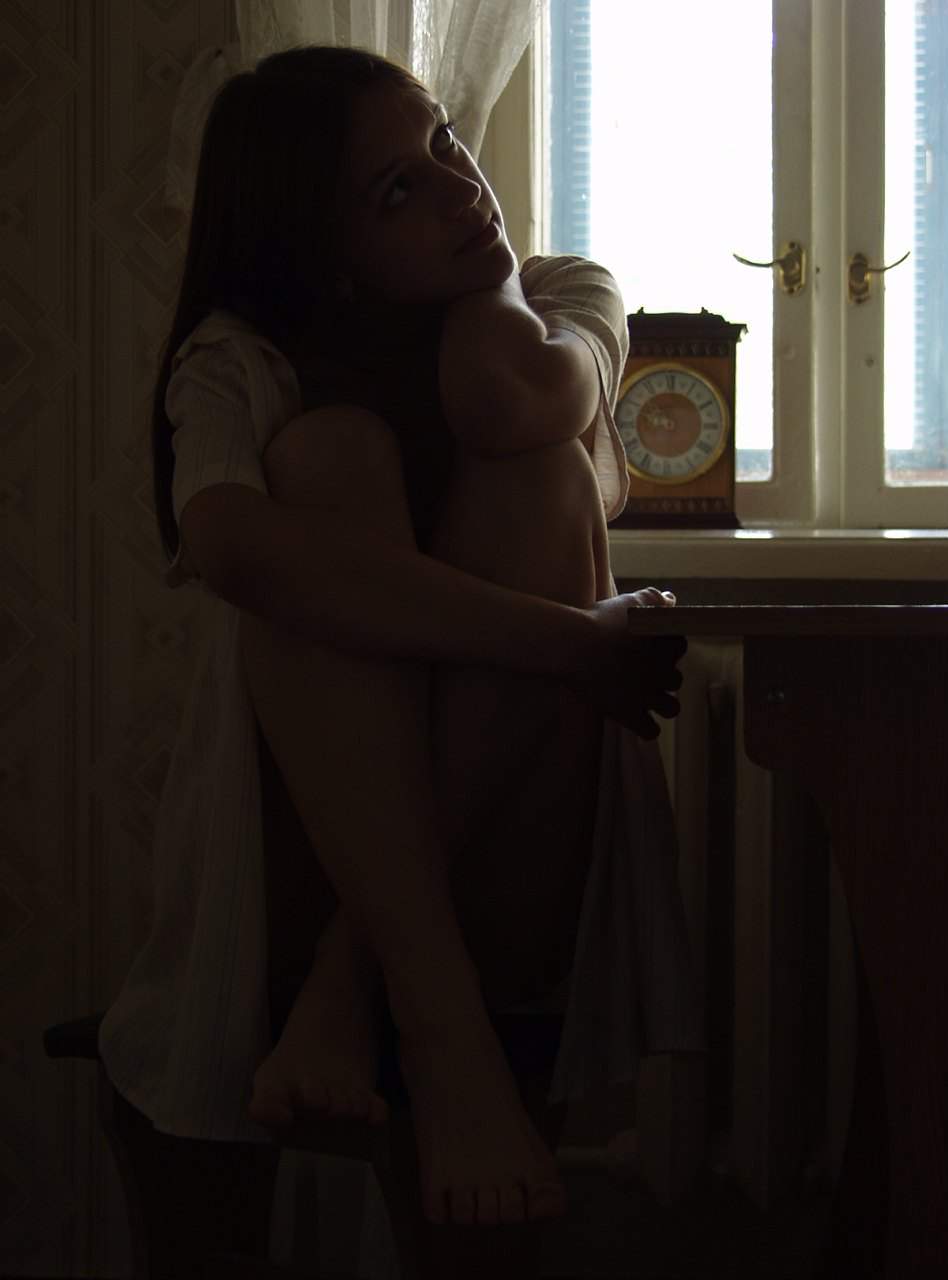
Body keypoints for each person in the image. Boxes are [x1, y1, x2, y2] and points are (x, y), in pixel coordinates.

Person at [98, 45, 698, 1234]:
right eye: (396, 189)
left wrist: (488, 284)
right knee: (327, 460)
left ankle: (364, 978)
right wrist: (569, 642)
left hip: (519, 838)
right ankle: (436, 1021)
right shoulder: (242, 357)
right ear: (324, 253)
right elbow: (229, 545)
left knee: (537, 480)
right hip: (308, 847)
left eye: (444, 142)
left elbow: (505, 396)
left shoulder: (568, 293)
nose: (461, 186)